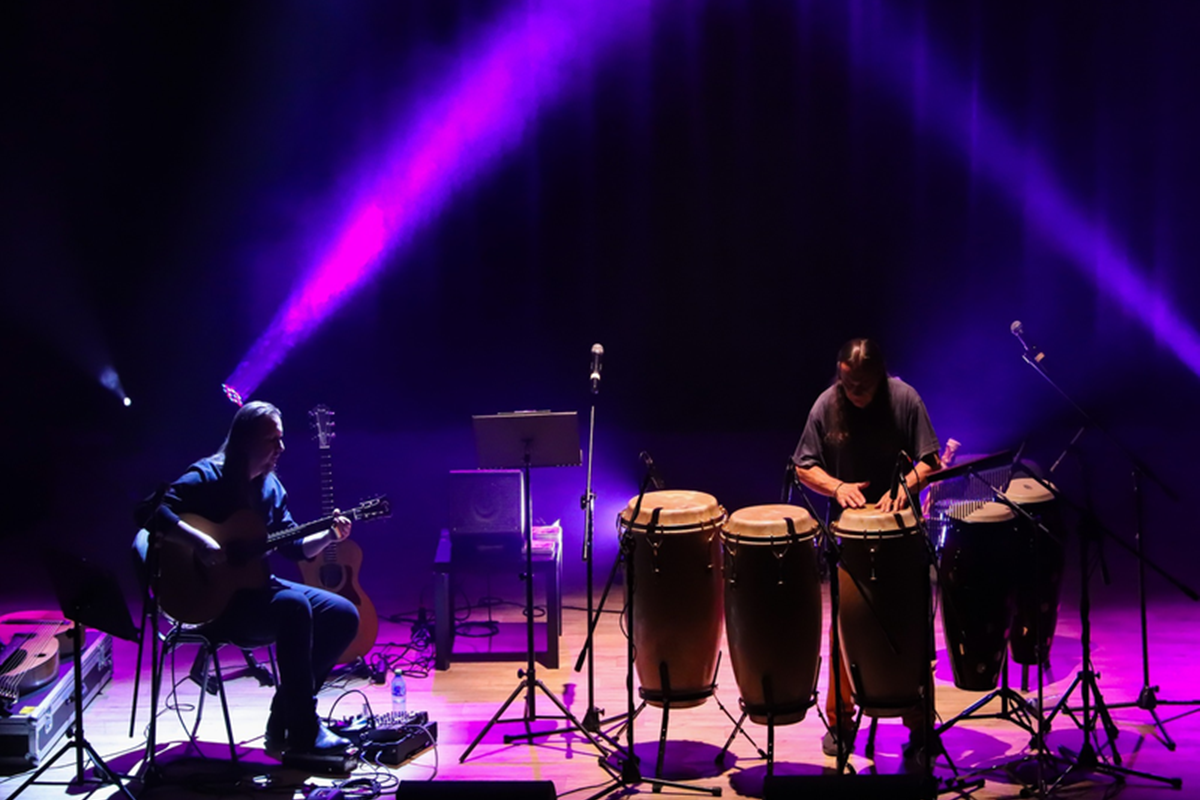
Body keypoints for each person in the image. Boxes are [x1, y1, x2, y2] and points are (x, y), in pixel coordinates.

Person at [138, 401, 359, 756]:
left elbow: (295, 547)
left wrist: (330, 536)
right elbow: (147, 510)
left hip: (253, 592)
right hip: (209, 603)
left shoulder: (271, 489)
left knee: (343, 614)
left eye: (281, 439)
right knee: (293, 607)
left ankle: (284, 715)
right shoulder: (207, 477)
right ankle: (303, 731)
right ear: (246, 440)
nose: (281, 449)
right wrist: (198, 540)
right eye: (273, 439)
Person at [792, 338, 941, 766]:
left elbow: (929, 460)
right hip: (850, 540)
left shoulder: (904, 398)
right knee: (846, 628)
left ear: (880, 375)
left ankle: (919, 724)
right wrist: (837, 487)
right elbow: (803, 465)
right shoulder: (827, 404)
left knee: (911, 631)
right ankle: (840, 722)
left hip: (902, 535)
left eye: (863, 383)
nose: (854, 390)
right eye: (847, 381)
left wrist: (905, 485)